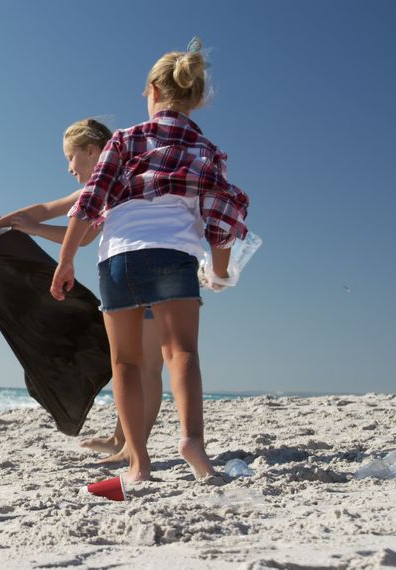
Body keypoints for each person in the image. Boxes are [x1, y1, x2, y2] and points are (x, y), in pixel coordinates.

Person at [50, 40, 250, 485]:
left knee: (125, 363)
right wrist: (219, 271)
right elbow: (221, 217)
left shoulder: (123, 139)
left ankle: (138, 461)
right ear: (196, 99)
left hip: (117, 258)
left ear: (152, 91)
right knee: (181, 352)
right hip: (173, 256)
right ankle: (191, 440)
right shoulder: (206, 149)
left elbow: (90, 202)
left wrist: (65, 262)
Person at [0, 119, 164, 465]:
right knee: (130, 365)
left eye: (71, 157)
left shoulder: (113, 180)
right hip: (150, 272)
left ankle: (133, 447)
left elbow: (81, 236)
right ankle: (122, 438)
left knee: (145, 367)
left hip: (142, 269)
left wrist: (34, 228)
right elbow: (51, 211)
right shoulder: (109, 183)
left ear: (92, 151)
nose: (68, 167)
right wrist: (7, 222)